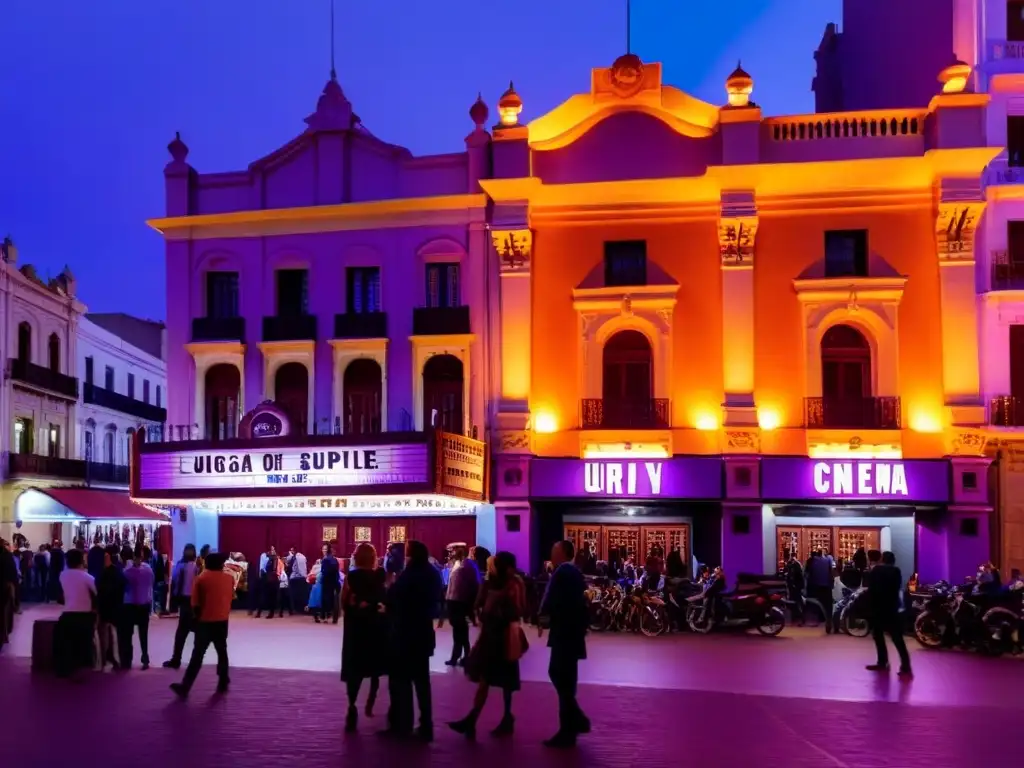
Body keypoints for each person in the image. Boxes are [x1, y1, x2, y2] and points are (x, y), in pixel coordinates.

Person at [449, 551, 527, 739]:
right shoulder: (506, 582)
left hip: (501, 637)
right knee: (494, 679)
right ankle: (484, 719)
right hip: (498, 637)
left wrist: (491, 607)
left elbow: (514, 609)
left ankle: (478, 720)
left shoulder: (509, 584)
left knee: (493, 679)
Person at [383, 540, 441, 741]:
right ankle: (426, 725)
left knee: (401, 680)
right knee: (422, 682)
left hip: (406, 633)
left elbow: (393, 596)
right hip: (424, 632)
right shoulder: (432, 573)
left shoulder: (410, 574)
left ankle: (402, 723)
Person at [539, 540, 590, 749]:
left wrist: (544, 616)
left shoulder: (563, 572)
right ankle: (570, 726)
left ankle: (572, 723)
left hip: (564, 632)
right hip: (572, 632)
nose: (551, 553)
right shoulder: (574, 572)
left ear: (564, 553)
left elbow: (553, 600)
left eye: (554, 550)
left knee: (559, 674)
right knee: (566, 678)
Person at [170, 552, 234, 698]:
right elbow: (230, 598)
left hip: (205, 622)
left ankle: (185, 686)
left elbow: (196, 604)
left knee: (197, 655)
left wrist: (196, 620)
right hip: (222, 621)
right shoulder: (229, 579)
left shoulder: (201, 579)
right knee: (222, 652)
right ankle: (223, 681)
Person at [340, 543, 388, 731]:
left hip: (355, 628)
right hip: (376, 627)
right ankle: (371, 702)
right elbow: (384, 600)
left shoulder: (352, 577)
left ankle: (352, 705)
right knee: (375, 666)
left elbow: (345, 602)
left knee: (355, 669)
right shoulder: (379, 576)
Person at [864, 549, 912, 678]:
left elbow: (871, 590)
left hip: (878, 609)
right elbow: (896, 589)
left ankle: (882, 662)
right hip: (891, 608)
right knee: (898, 639)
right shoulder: (896, 571)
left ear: (882, 559)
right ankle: (906, 666)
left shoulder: (875, 571)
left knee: (878, 636)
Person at [54, 548, 97, 677]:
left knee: (65, 642)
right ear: (82, 561)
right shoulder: (88, 577)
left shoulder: (63, 575)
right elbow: (96, 594)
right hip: (85, 615)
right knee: (85, 644)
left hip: (68, 614)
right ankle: (84, 668)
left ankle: (65, 668)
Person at [163, 544, 199, 669]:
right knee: (195, 632)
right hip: (194, 601)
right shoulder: (197, 566)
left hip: (185, 600)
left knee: (182, 633)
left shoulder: (181, 565)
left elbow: (175, 581)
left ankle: (176, 659)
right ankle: (194, 660)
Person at [121, 546, 155, 670]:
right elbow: (151, 583)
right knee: (143, 633)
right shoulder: (148, 569)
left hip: (130, 605)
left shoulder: (126, 571)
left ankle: (127, 660)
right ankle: (145, 658)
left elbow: (123, 587)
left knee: (128, 634)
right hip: (144, 604)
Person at [444, 545, 478, 667]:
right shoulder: (457, 564)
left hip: (459, 601)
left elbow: (472, 584)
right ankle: (459, 655)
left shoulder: (466, 565)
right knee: (458, 631)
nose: (450, 553)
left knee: (461, 631)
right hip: (453, 600)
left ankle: (465, 656)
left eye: (452, 551)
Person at [96, 545, 126, 670]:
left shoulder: (105, 572)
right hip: (116, 606)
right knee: (113, 633)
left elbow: (100, 588)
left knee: (105, 634)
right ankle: (114, 659)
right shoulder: (118, 571)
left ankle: (104, 659)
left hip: (106, 606)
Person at [805, 550, 835, 633]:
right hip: (826, 586)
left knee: (818, 604)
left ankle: (819, 619)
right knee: (828, 605)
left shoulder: (811, 561)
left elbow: (807, 574)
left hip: (817, 586)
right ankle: (829, 621)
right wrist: (832, 582)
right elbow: (831, 572)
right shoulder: (828, 559)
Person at [256, 546, 282, 619]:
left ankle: (271, 613)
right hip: (268, 579)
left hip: (272, 579)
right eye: (271, 550)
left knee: (272, 597)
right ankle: (260, 612)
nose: (272, 551)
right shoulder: (268, 558)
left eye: (273, 550)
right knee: (266, 596)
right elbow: (263, 569)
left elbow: (275, 569)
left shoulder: (275, 559)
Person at [318, 543, 341, 624]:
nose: (323, 551)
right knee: (332, 599)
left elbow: (323, 571)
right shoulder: (334, 559)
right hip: (334, 581)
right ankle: (330, 615)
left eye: (325, 549)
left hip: (326, 581)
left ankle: (324, 616)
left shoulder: (325, 559)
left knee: (325, 598)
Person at [286, 546, 308, 617]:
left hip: (295, 578)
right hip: (302, 578)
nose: (291, 552)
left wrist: (290, 556)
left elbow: (288, 562)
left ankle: (293, 610)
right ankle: (299, 609)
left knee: (292, 595)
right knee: (300, 595)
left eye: (292, 550)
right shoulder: (302, 557)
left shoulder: (294, 557)